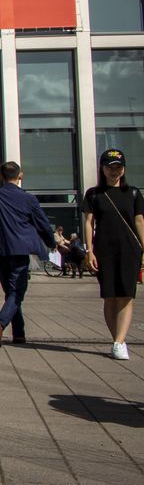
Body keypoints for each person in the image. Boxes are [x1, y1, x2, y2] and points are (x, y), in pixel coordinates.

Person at [0, 161, 55, 348]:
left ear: (1, 176)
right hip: (21, 250)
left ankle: (19, 334)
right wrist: (52, 243)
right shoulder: (28, 199)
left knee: (11, 291)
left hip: (0, 249)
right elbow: (43, 223)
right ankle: (0, 322)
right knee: (17, 292)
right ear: (20, 175)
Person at [83, 148, 144, 360]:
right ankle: (117, 339)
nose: (114, 171)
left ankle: (119, 341)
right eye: (110, 167)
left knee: (126, 296)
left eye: (118, 167)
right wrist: (89, 251)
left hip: (130, 249)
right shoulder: (93, 194)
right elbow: (89, 223)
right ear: (102, 168)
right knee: (110, 296)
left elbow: (139, 221)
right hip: (103, 250)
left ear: (124, 168)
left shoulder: (133, 193)